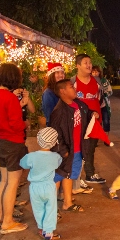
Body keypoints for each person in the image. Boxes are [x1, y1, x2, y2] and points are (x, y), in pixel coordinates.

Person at [0, 63, 29, 234]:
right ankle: (8, 222)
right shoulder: (9, 97)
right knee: (13, 182)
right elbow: (16, 124)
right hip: (12, 142)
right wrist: (25, 123)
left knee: (3, 181)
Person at [49, 78, 90, 212]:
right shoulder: (59, 111)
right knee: (57, 176)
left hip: (77, 149)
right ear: (62, 91)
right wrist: (63, 150)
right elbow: (55, 134)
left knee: (69, 175)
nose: (75, 89)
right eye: (71, 87)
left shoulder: (79, 105)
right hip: (66, 150)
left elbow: (86, 117)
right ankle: (50, 208)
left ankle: (67, 202)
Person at [20, 127, 62, 240]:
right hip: (49, 186)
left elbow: (23, 164)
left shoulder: (31, 156)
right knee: (51, 209)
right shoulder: (56, 157)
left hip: (35, 187)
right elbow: (58, 164)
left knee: (38, 208)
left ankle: (41, 228)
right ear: (54, 143)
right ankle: (49, 233)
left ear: (38, 141)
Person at [71, 54, 106, 184]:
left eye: (90, 62)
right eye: (85, 62)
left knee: (91, 147)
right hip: (78, 121)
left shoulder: (97, 81)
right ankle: (76, 176)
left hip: (95, 121)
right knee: (78, 147)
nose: (89, 65)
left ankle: (89, 174)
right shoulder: (72, 82)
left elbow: (100, 99)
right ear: (78, 65)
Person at [93, 65, 112, 133]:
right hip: (94, 105)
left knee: (106, 121)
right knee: (96, 122)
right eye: (93, 72)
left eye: (96, 72)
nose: (95, 73)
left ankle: (106, 137)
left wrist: (104, 92)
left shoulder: (104, 81)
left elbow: (110, 91)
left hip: (104, 104)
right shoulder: (89, 81)